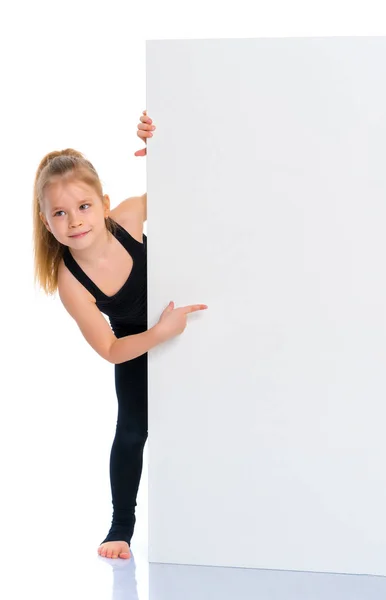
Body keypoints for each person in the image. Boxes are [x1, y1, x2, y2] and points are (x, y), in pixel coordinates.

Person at [32, 110, 208, 560]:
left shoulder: (128, 219)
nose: (75, 221)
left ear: (105, 204)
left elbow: (181, 186)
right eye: (60, 213)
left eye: (84, 207)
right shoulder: (71, 283)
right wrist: (160, 333)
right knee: (131, 431)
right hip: (135, 341)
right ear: (46, 221)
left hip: (181, 322)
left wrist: (157, 149)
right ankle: (120, 526)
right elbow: (111, 349)